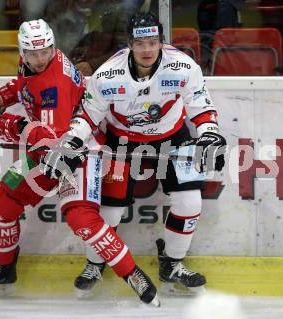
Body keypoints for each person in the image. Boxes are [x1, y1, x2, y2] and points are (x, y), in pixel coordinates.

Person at [0, 18, 160, 307]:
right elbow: (26, 82)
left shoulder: (53, 85)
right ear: (23, 53)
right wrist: (7, 94)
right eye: (32, 54)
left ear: (52, 47)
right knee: (4, 202)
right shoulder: (42, 60)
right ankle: (3, 269)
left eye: (44, 52)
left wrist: (9, 125)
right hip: (49, 147)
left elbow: (51, 137)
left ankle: (133, 274)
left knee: (80, 217)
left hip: (79, 149)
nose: (39, 58)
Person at [42, 12, 227, 296]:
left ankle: (173, 263)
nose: (147, 50)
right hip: (122, 144)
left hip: (174, 137)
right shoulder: (107, 74)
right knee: (110, 212)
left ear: (161, 42)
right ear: (129, 44)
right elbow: (87, 117)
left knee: (190, 202)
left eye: (153, 42)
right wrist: (70, 141)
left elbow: (201, 107)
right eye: (140, 43)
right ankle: (95, 262)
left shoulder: (183, 66)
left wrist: (210, 134)